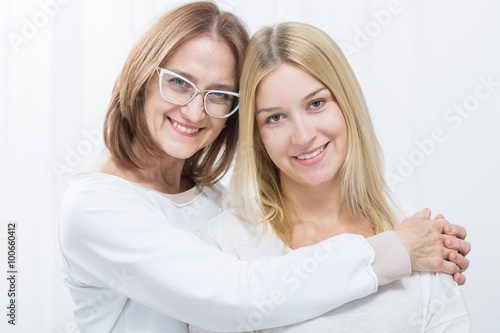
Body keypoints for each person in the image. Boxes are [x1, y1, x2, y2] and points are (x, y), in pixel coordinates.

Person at [58, 2, 470, 332]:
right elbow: (239, 297)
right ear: (143, 76)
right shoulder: (94, 208)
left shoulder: (210, 200)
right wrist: (398, 250)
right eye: (179, 82)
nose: (194, 109)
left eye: (218, 94)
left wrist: (425, 244)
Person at [190, 22, 470, 333]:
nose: (303, 135)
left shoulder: (424, 245)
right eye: (275, 117)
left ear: (347, 104)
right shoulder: (225, 247)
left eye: (316, 103)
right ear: (257, 135)